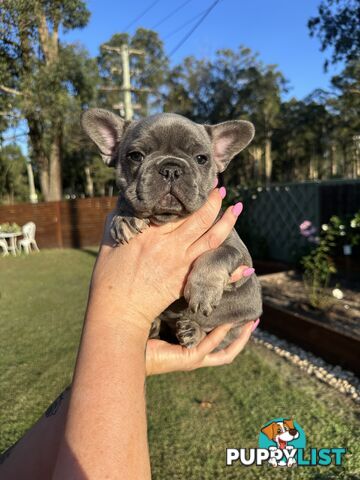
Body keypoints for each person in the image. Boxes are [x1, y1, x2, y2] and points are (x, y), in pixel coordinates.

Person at [0, 186, 259, 479]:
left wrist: (124, 331)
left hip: (229, 309)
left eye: (199, 158)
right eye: (137, 156)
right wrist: (125, 325)